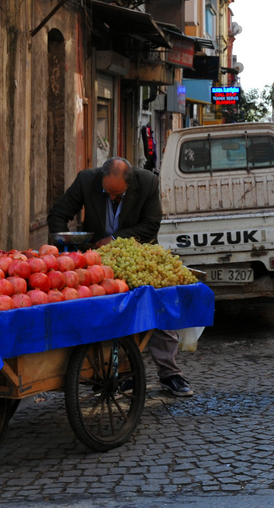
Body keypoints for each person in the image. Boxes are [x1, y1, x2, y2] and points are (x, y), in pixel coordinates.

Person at [47, 156, 193, 397]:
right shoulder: (86, 180)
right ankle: (118, 371)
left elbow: (151, 225)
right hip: (96, 261)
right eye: (108, 194)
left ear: (129, 182)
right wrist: (68, 248)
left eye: (118, 195)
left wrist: (116, 239)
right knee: (106, 314)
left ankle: (170, 373)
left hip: (138, 257)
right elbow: (57, 215)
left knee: (158, 307)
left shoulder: (147, 183)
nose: (112, 199)